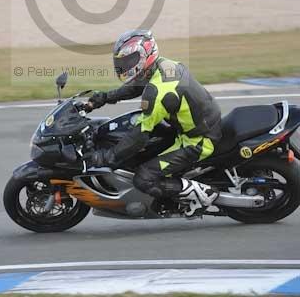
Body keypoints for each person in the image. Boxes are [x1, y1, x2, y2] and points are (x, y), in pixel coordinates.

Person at [85, 29, 222, 217]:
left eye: (128, 61)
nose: (124, 65)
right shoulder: (163, 65)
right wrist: (103, 98)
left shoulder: (158, 92)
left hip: (198, 140)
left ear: (145, 54)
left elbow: (140, 134)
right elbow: (135, 87)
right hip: (198, 124)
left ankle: (204, 194)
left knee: (144, 178)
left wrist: (108, 158)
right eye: (121, 62)